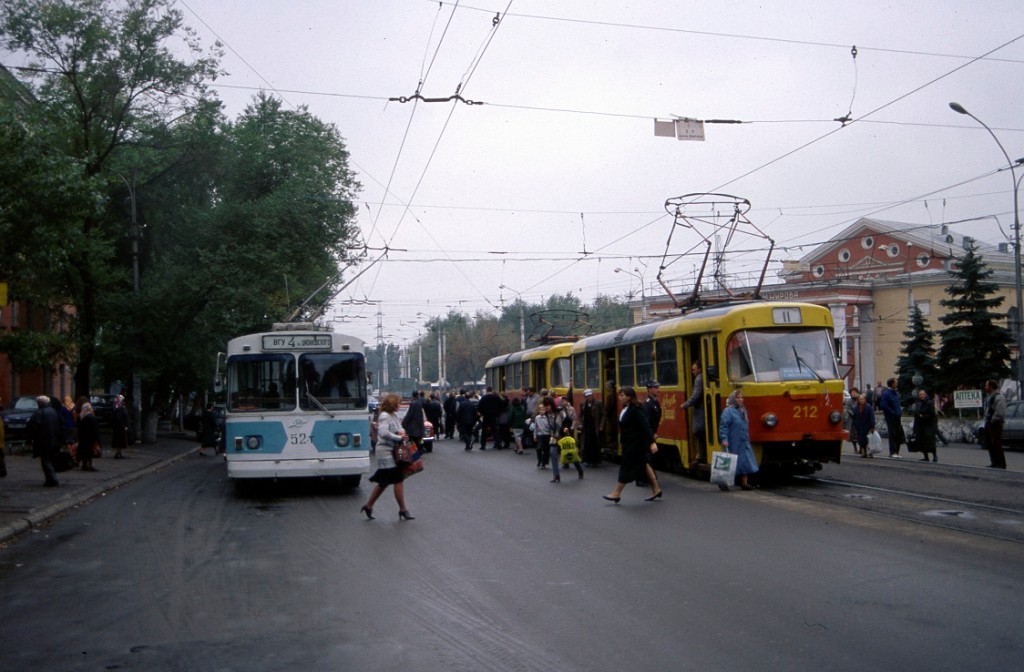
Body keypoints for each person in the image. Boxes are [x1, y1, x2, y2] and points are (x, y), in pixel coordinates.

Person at [361, 393, 415, 521]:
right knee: (397, 479)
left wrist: (402, 432)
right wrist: (399, 437)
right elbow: (383, 432)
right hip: (385, 450)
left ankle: (368, 506)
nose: (399, 405)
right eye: (398, 403)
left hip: (392, 450)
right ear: (392, 404)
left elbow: (400, 428)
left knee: (384, 482)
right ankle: (403, 510)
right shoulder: (385, 415)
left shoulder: (393, 415)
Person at [602, 387, 662, 503]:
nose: (620, 398)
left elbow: (645, 426)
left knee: (625, 467)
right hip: (629, 443)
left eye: (622, 395)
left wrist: (652, 442)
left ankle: (616, 493)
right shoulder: (626, 408)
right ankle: (656, 489)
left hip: (635, 444)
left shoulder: (636, 409)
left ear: (629, 397)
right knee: (644, 464)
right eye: (619, 395)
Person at [717, 390, 759, 491]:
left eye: (742, 397)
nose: (740, 399)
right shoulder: (728, 411)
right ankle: (723, 482)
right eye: (738, 398)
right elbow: (724, 426)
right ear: (733, 399)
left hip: (743, 440)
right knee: (728, 462)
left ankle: (744, 483)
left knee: (745, 461)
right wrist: (724, 439)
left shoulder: (742, 410)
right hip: (733, 441)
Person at [27, 395, 62, 487]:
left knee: (46, 461)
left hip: (44, 441)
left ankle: (52, 479)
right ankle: (50, 479)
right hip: (54, 440)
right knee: (50, 459)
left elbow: (32, 427)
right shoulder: (54, 412)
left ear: (39, 403)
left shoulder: (39, 413)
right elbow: (60, 425)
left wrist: (30, 439)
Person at [680, 362, 706, 464]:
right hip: (700, 410)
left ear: (699, 369)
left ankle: (700, 456)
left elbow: (696, 395)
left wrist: (685, 404)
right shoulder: (701, 378)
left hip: (700, 411)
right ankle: (701, 455)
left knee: (699, 431)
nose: (692, 372)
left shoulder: (699, 379)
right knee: (699, 432)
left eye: (693, 370)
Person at [982, 379, 1007, 469]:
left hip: (995, 424)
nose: (985, 387)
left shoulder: (998, 397)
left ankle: (1001, 464)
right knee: (990, 443)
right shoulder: (990, 396)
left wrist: (993, 420)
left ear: (991, 386)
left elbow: (1000, 412)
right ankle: (994, 463)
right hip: (989, 423)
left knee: (996, 444)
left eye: (987, 385)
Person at [577, 389, 604, 467]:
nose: (589, 397)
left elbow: (604, 415)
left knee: (595, 444)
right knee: (586, 444)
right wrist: (581, 423)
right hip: (586, 427)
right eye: (587, 396)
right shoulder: (582, 404)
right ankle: (587, 460)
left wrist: (601, 426)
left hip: (595, 427)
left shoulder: (598, 403)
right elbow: (581, 415)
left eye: (590, 396)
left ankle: (595, 461)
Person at [879, 378, 903, 458]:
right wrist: (892, 412)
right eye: (895, 382)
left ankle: (896, 452)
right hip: (891, 417)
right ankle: (892, 452)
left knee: (898, 434)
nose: (897, 383)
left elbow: (897, 404)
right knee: (892, 434)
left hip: (897, 416)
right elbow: (884, 405)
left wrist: (899, 412)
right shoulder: (886, 393)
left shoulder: (895, 393)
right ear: (892, 384)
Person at [912, 389, 938, 462]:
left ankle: (934, 456)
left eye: (923, 394)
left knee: (930, 442)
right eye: (920, 394)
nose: (922, 396)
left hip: (928, 425)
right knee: (922, 441)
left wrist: (923, 416)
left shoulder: (929, 402)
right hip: (920, 425)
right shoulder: (918, 403)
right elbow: (916, 414)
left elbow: (932, 414)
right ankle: (925, 456)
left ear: (925, 395)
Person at [77, 402, 101, 471]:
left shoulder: (80, 417)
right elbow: (95, 429)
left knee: (84, 451)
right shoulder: (91, 417)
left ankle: (84, 464)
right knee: (90, 451)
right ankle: (89, 465)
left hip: (82, 437)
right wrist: (97, 439)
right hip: (90, 437)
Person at [851, 393, 876, 458]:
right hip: (859, 426)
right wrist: (855, 426)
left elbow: (872, 417)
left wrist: (872, 426)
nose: (862, 400)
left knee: (868, 440)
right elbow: (855, 417)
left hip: (867, 426)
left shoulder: (868, 407)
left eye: (863, 399)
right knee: (861, 440)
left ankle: (870, 452)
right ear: (858, 400)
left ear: (865, 400)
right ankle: (864, 452)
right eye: (860, 399)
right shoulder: (856, 408)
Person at [111, 394, 130, 459]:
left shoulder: (119, 407)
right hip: (119, 428)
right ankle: (118, 453)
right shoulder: (119, 408)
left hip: (119, 427)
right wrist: (124, 425)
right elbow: (119, 418)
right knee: (119, 441)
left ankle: (118, 453)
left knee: (119, 441)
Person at [845, 387, 860, 453]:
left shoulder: (859, 399)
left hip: (859, 419)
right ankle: (855, 448)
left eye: (855, 392)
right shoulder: (849, 401)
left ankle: (861, 448)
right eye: (852, 393)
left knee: (860, 434)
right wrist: (852, 413)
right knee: (853, 435)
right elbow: (848, 409)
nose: (853, 394)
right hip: (852, 419)